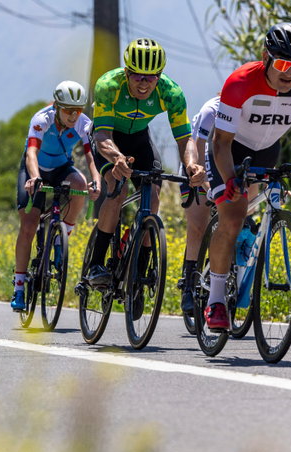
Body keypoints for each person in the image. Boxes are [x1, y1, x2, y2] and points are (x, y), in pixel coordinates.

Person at [203, 23, 291, 331]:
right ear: (266, 57)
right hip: (228, 150)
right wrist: (231, 178)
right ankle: (216, 300)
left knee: (263, 206)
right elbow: (220, 142)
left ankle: (242, 262)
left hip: (266, 151)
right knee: (233, 216)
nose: (289, 73)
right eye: (282, 64)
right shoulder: (240, 82)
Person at [87, 38, 206, 286]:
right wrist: (117, 158)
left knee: (151, 200)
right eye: (137, 76)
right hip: (108, 138)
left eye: (151, 77)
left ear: (159, 76)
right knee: (116, 191)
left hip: (140, 139)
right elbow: (102, 136)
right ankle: (96, 264)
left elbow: (185, 139)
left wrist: (192, 165)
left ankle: (139, 272)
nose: (144, 83)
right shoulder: (109, 85)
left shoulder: (171, 93)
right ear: (127, 72)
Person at [11, 81, 101, 311]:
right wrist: (34, 177)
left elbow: (91, 155)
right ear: (57, 106)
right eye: (69, 110)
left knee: (79, 185)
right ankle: (19, 287)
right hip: (35, 169)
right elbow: (31, 152)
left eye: (78, 110)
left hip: (61, 168)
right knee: (29, 226)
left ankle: (62, 236)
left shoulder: (84, 123)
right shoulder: (42, 119)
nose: (74, 115)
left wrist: (95, 179)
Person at [177, 93, 219, 316]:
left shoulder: (254, 112)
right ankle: (189, 286)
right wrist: (209, 188)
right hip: (196, 164)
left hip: (224, 162)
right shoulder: (211, 111)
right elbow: (198, 161)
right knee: (198, 226)